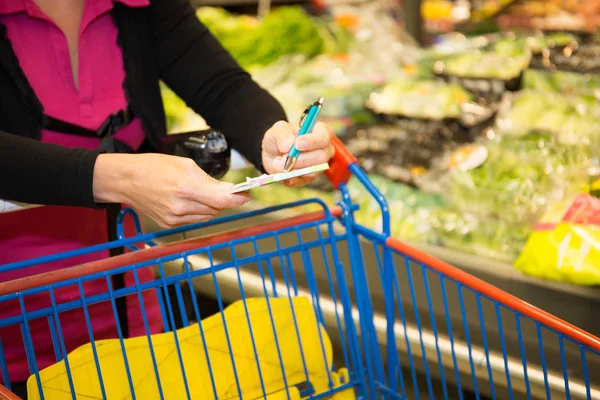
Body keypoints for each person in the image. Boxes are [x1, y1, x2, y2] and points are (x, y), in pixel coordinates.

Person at [0, 0, 334, 395]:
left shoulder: (142, 5)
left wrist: (271, 137)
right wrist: (112, 177)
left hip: (130, 300)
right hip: (12, 326)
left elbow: (220, 85)